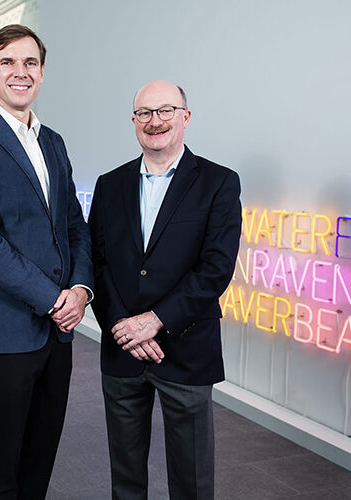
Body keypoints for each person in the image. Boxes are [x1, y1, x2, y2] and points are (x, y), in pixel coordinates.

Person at [0, 24, 92, 499]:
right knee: (2, 463)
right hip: (5, 329)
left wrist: (82, 290)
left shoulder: (54, 143)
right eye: (8, 62)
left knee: (42, 453)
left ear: (42, 73)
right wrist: (53, 299)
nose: (20, 72)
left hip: (58, 330)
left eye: (30, 63)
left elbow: (74, 225)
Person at [88, 80, 242, 500]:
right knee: (126, 480)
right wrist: (123, 326)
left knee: (192, 482)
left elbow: (215, 270)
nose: (154, 121)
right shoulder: (109, 184)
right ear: (134, 121)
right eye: (144, 113)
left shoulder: (219, 183)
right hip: (123, 351)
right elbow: (96, 263)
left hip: (187, 349)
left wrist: (153, 322)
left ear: (185, 117)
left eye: (165, 111)